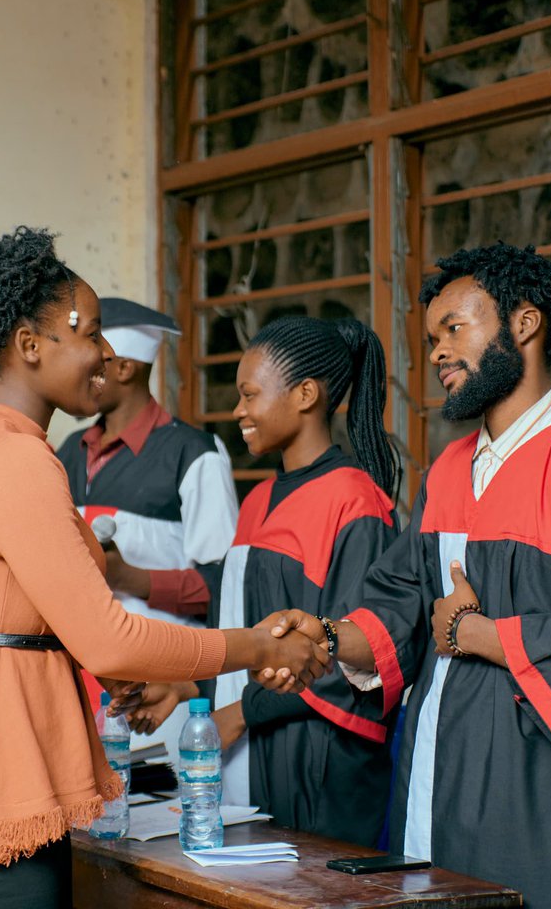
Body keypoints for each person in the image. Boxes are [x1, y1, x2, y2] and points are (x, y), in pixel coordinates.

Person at [0, 227, 329, 909]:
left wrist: (141, 679)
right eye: (92, 332)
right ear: (29, 345)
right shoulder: (18, 460)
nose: (107, 353)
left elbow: (52, 612)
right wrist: (255, 647)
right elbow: (105, 633)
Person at [270, 244, 551, 907]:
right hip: (437, 776)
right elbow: (399, 602)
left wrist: (476, 632)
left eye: (454, 328)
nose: (437, 353)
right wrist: (322, 637)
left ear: (523, 324)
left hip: (544, 803)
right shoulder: (450, 471)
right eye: (432, 339)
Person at [123, 316, 402, 846]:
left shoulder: (354, 500)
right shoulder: (256, 502)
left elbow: (354, 656)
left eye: (250, 395)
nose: (238, 411)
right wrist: (188, 687)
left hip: (315, 769)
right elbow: (250, 636)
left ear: (304, 394)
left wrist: (240, 713)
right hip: (245, 761)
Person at [55, 298, 237, 626]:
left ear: (125, 368)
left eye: (96, 361)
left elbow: (225, 586)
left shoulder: (194, 453)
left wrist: (129, 578)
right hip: (77, 666)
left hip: (162, 669)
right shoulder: (70, 450)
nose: (81, 371)